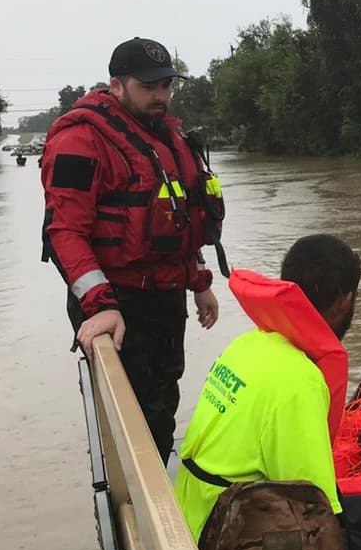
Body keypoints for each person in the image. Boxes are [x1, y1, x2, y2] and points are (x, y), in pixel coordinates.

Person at [174, 234, 361, 550]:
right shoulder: (301, 382)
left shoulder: (250, 344)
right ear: (346, 300)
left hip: (207, 509)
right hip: (229, 537)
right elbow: (315, 509)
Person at [41, 36, 225, 464]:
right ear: (117, 85)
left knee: (162, 408)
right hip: (115, 300)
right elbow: (65, 231)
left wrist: (199, 282)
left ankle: (157, 496)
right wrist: (101, 304)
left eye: (166, 85)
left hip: (164, 297)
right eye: (149, 87)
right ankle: (133, 510)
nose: (160, 96)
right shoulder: (80, 138)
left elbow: (178, 218)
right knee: (129, 419)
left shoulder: (166, 135)